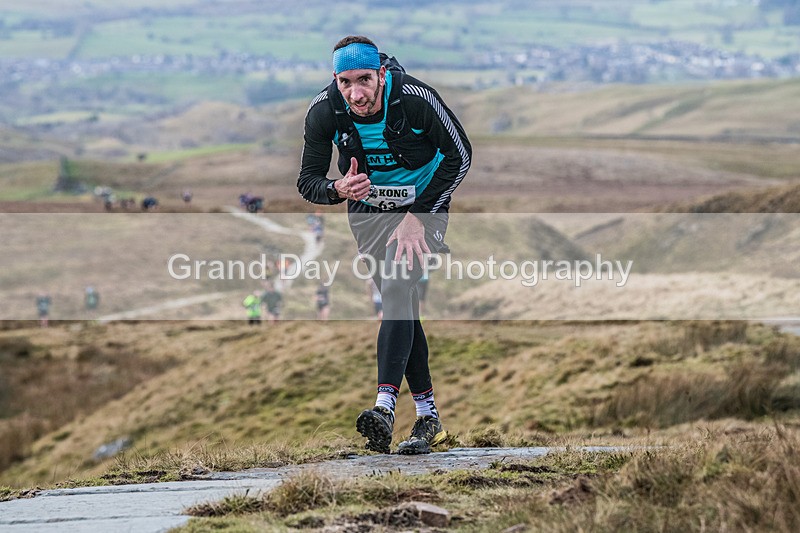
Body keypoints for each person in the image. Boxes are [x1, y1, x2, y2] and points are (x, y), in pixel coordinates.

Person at [297, 36, 471, 455]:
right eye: (345, 82)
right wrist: (338, 188)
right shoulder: (323, 112)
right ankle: (430, 420)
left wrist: (420, 215)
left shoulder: (415, 99)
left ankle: (385, 409)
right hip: (369, 213)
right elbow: (308, 182)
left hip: (424, 204)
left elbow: (460, 155)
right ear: (335, 80)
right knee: (402, 305)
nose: (356, 93)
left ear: (380, 74)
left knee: (396, 287)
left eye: (364, 80)